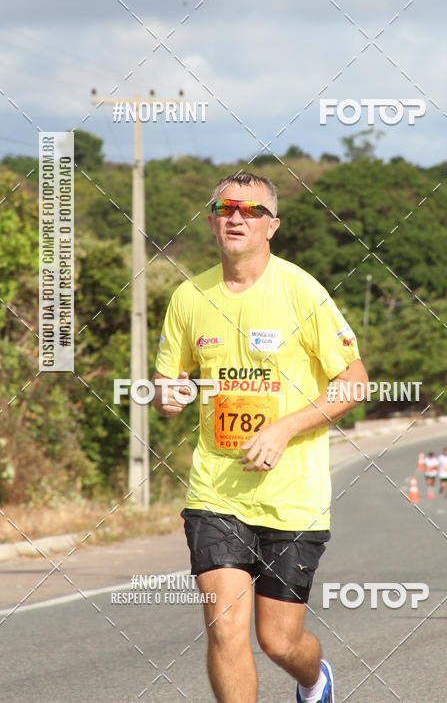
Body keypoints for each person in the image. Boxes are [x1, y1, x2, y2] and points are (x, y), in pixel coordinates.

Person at [152, 172, 368, 703]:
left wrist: (285, 427)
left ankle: (315, 680)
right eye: (225, 208)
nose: (235, 218)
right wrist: (167, 395)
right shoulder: (188, 296)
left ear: (271, 225)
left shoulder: (301, 292)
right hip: (216, 492)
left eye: (250, 211)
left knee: (278, 641)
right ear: (211, 220)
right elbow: (165, 381)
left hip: (292, 497)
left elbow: (354, 382)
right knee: (225, 628)